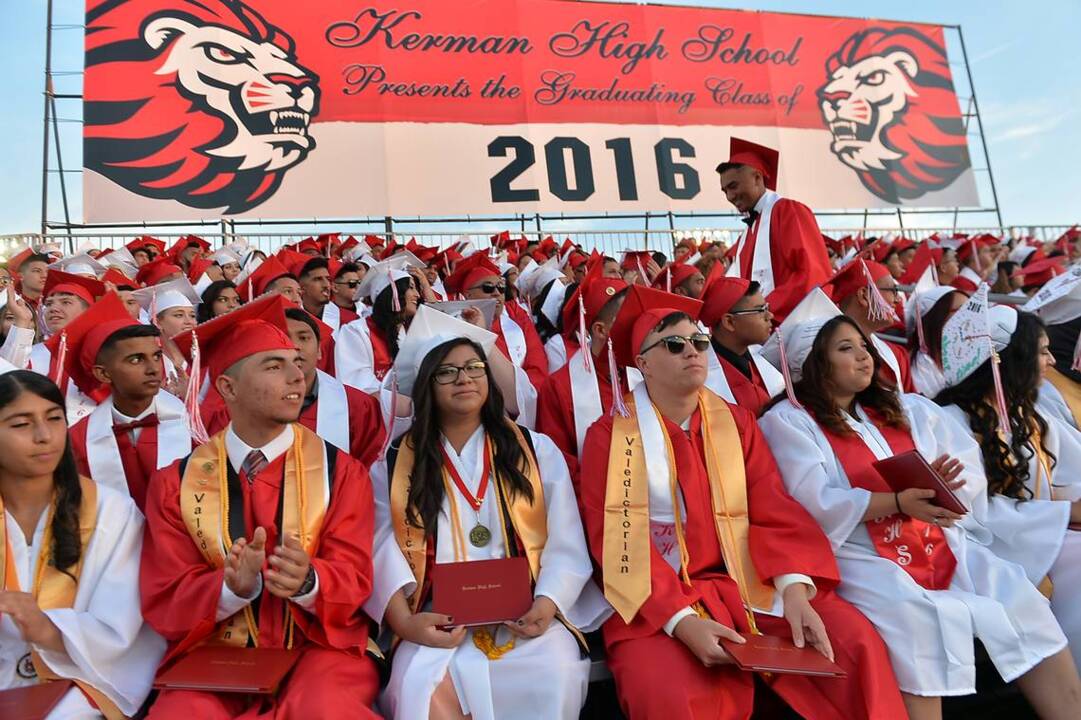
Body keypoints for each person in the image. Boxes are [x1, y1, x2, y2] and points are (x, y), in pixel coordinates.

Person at [577, 289, 906, 720]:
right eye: (674, 345)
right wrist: (682, 621)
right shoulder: (611, 436)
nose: (692, 352)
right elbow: (619, 542)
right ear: (642, 364)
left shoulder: (736, 421)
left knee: (853, 640)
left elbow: (773, 507)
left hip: (751, 581)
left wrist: (795, 591)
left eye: (698, 342)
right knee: (667, 690)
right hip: (657, 596)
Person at [757, 291, 1081, 720]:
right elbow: (812, 501)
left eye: (865, 347)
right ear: (810, 363)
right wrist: (895, 501)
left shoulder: (906, 409)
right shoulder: (789, 422)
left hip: (936, 535)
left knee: (1017, 594)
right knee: (918, 619)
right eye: (845, 348)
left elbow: (968, 481)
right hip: (858, 550)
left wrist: (943, 489)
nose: (864, 356)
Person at [140, 294, 381, 718]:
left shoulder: (340, 473)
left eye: (295, 361)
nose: (298, 374)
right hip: (217, 649)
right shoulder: (174, 484)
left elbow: (355, 571)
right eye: (274, 365)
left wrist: (309, 581)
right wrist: (231, 588)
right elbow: (166, 592)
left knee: (324, 709)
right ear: (227, 388)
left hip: (319, 647)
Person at [366, 305, 606, 719]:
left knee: (557, 671)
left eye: (474, 367)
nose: (464, 379)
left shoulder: (535, 450)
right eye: (447, 371)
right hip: (436, 620)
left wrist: (547, 604)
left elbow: (566, 538)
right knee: (419, 687)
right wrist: (405, 623)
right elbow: (381, 546)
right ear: (427, 384)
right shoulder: (392, 464)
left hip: (525, 615)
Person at [0, 370, 165, 717]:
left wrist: (47, 629)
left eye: (54, 419)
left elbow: (124, 628)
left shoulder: (111, 513)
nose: (45, 436)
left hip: (78, 679)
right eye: (21, 424)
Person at [935, 304, 1081, 670]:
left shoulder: (1025, 416)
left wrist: (1067, 507)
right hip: (999, 544)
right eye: (1041, 351)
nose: (1050, 361)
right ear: (1008, 360)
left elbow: (1066, 476)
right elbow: (976, 513)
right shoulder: (950, 421)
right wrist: (1066, 513)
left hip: (1039, 530)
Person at [66, 295, 193, 511]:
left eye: (156, 356)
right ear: (103, 374)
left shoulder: (192, 426)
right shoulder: (79, 440)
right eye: (136, 359)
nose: (154, 368)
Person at [716, 137, 833, 323]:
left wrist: (759, 312)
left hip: (796, 326)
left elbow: (812, 275)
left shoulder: (788, 211)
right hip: (762, 332)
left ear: (757, 178)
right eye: (724, 191)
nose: (730, 196)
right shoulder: (747, 234)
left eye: (733, 186)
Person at [535, 267, 629, 459]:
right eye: (628, 319)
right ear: (600, 330)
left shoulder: (647, 372)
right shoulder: (558, 388)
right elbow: (558, 462)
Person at [445, 254, 548, 420]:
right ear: (468, 295)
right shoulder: (454, 329)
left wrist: (522, 396)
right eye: (488, 288)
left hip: (523, 412)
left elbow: (538, 368)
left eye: (501, 288)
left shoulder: (520, 325)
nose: (496, 293)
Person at [287, 308, 386, 465]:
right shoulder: (247, 404)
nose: (295, 346)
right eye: (284, 337)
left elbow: (373, 471)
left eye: (304, 337)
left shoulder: (359, 407)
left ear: (320, 350)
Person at [336, 254, 425, 394]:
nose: (417, 295)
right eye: (411, 288)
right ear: (394, 294)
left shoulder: (403, 330)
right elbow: (358, 385)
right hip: (373, 411)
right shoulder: (355, 332)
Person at [698, 277, 783, 416]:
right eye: (760, 310)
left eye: (766, 307)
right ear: (729, 322)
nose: (770, 315)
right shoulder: (703, 381)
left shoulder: (766, 357)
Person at [825, 260, 913, 391]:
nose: (898, 299)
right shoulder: (828, 356)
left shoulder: (896, 355)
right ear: (864, 295)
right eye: (893, 291)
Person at [906, 286, 967, 398]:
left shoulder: (971, 361)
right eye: (962, 311)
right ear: (937, 316)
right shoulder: (918, 370)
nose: (970, 318)